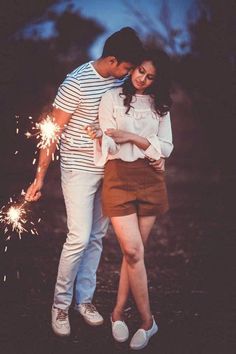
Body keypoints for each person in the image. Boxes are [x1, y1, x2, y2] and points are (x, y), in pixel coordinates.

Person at [25, 27, 144, 337]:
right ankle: (60, 306)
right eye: (127, 68)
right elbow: (51, 132)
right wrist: (39, 178)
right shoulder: (75, 83)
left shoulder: (119, 80)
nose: (129, 74)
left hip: (109, 168)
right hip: (78, 169)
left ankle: (85, 301)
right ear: (113, 59)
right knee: (78, 236)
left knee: (96, 236)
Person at [86, 48, 173, 350]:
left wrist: (134, 138)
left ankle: (117, 314)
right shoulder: (111, 98)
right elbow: (111, 141)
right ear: (133, 67)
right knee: (133, 250)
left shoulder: (160, 105)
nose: (143, 79)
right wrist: (102, 136)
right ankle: (149, 322)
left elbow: (167, 147)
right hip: (118, 178)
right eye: (140, 71)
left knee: (133, 255)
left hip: (150, 180)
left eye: (150, 77)